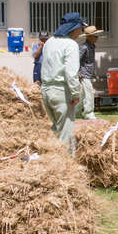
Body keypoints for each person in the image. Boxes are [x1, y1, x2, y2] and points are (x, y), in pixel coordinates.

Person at [41, 12, 85, 154]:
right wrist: (75, 93)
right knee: (66, 131)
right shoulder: (71, 44)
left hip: (46, 90)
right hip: (61, 91)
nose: (81, 31)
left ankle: (52, 159)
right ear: (74, 28)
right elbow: (71, 73)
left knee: (55, 129)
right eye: (80, 28)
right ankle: (67, 167)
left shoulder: (49, 42)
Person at [76, 25, 103, 119]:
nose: (97, 38)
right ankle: (89, 113)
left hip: (88, 74)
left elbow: (90, 62)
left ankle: (76, 112)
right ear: (89, 37)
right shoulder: (84, 47)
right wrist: (78, 72)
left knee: (82, 94)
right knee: (89, 93)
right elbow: (76, 60)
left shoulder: (92, 46)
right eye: (95, 36)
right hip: (83, 74)